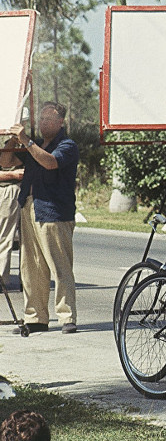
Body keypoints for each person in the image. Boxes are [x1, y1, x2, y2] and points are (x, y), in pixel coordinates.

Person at [0, 102, 79, 335]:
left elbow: (50, 162)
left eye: (48, 119)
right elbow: (4, 162)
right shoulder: (32, 144)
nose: (43, 123)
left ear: (60, 122)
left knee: (60, 266)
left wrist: (26, 141)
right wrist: (13, 140)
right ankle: (36, 317)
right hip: (29, 207)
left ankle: (67, 317)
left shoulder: (66, 145)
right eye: (41, 118)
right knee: (31, 266)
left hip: (54, 210)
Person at [0, 154, 24, 286]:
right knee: (4, 237)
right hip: (8, 188)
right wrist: (13, 175)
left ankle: (29, 279)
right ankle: (1, 279)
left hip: (25, 189)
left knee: (29, 241)